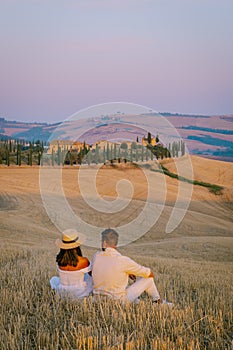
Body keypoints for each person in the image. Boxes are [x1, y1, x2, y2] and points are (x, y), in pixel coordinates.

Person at [91, 228, 173, 306]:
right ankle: (157, 301)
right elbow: (149, 274)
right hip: (118, 302)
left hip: (97, 299)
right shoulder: (123, 260)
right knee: (148, 279)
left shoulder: (96, 256)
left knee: (121, 286)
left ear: (104, 243)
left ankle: (140, 302)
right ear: (116, 243)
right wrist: (129, 272)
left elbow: (107, 267)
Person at [50, 229, 92, 299]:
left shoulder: (60, 260)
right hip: (79, 293)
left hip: (62, 292)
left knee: (54, 279)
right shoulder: (83, 261)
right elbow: (92, 274)